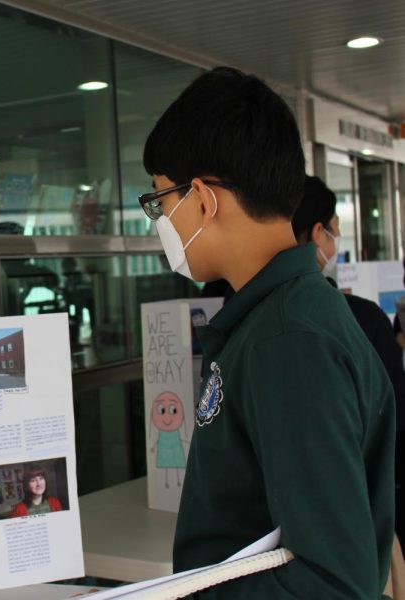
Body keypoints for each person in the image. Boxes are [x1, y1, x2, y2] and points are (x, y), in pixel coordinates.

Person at [140, 66, 394, 596]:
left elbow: (332, 581)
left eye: (161, 204)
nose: (160, 224)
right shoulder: (281, 316)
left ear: (204, 200)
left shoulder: (290, 341)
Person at [292, 174, 405, 541]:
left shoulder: (241, 316)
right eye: (333, 231)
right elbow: (395, 423)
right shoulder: (362, 318)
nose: (334, 241)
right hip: (357, 518)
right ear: (315, 232)